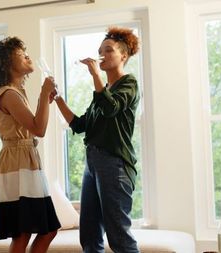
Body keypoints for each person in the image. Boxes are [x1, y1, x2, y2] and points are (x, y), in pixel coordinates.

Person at [53, 27, 141, 253]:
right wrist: (58, 98)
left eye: (108, 50)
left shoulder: (128, 83)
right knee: (90, 236)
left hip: (115, 164)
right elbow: (80, 125)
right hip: (92, 164)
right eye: (100, 50)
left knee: (119, 237)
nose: (102, 54)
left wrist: (95, 75)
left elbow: (111, 108)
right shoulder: (103, 92)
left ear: (123, 55)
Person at [0, 36, 60, 253]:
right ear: (8, 64)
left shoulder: (16, 94)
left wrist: (44, 99)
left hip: (25, 161)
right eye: (20, 54)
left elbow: (37, 126)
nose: (27, 56)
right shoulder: (8, 95)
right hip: (17, 164)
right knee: (23, 232)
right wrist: (44, 93)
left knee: (46, 230)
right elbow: (40, 129)